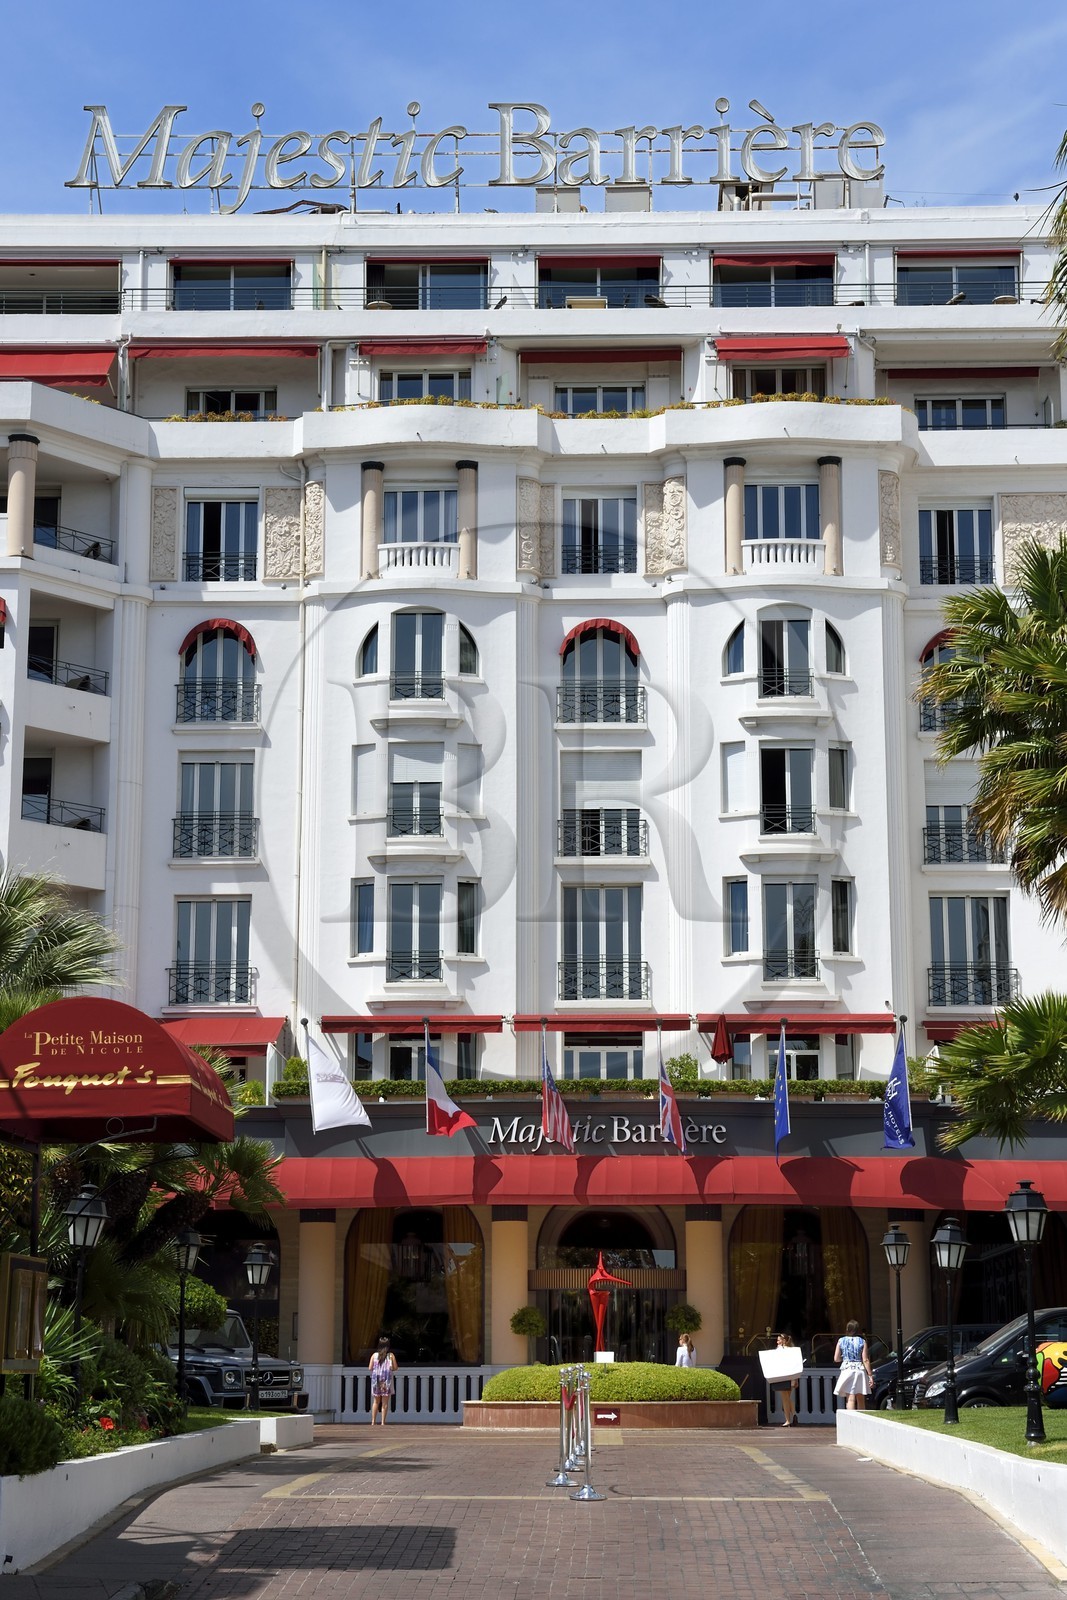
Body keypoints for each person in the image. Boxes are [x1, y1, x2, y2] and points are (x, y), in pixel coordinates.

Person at [833, 1319, 873, 1410]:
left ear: (847, 1329)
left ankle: (850, 1422)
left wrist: (845, 1358)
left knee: (850, 1399)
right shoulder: (862, 1341)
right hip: (859, 1369)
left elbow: (836, 1358)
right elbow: (865, 1360)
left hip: (847, 1369)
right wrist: (870, 1375)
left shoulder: (841, 1341)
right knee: (860, 1398)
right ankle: (861, 1421)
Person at [770, 1332, 800, 1426]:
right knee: (787, 1398)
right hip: (791, 1376)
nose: (777, 1342)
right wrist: (795, 1379)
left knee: (785, 1399)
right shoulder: (792, 1350)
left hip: (782, 1376)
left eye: (779, 1340)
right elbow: (795, 1365)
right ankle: (793, 1415)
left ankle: (788, 1420)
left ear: (783, 1341)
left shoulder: (780, 1350)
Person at [368, 1336, 397, 1425]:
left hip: (376, 1380)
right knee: (385, 1402)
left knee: (376, 1401)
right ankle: (383, 1422)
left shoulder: (374, 1355)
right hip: (386, 1381)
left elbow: (370, 1368)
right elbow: (395, 1367)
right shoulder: (390, 1355)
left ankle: (373, 1421)